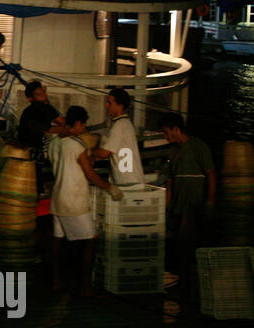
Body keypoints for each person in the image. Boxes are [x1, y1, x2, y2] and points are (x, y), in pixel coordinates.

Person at [50, 106, 122, 296]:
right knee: (90, 240)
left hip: (56, 198)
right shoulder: (77, 145)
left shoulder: (54, 143)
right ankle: (85, 286)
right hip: (73, 200)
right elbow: (89, 174)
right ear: (79, 123)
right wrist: (110, 188)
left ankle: (57, 281)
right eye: (84, 125)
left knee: (58, 241)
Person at [159, 113, 217, 307]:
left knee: (185, 244)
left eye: (167, 132)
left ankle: (186, 287)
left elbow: (211, 174)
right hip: (178, 206)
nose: (166, 137)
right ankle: (184, 286)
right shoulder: (173, 152)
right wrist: (167, 206)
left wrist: (210, 202)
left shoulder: (199, 147)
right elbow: (169, 181)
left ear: (176, 129)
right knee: (179, 246)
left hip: (193, 205)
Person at [91, 87, 146, 189]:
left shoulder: (119, 125)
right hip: (128, 180)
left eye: (109, 103)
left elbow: (104, 152)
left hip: (128, 181)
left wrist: (87, 152)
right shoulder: (122, 123)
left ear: (120, 106)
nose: (106, 106)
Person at [18, 80, 63, 149]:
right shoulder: (42, 107)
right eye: (39, 95)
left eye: (44, 93)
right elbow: (61, 123)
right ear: (30, 99)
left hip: (24, 148)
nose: (44, 96)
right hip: (34, 150)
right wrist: (70, 129)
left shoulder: (26, 111)